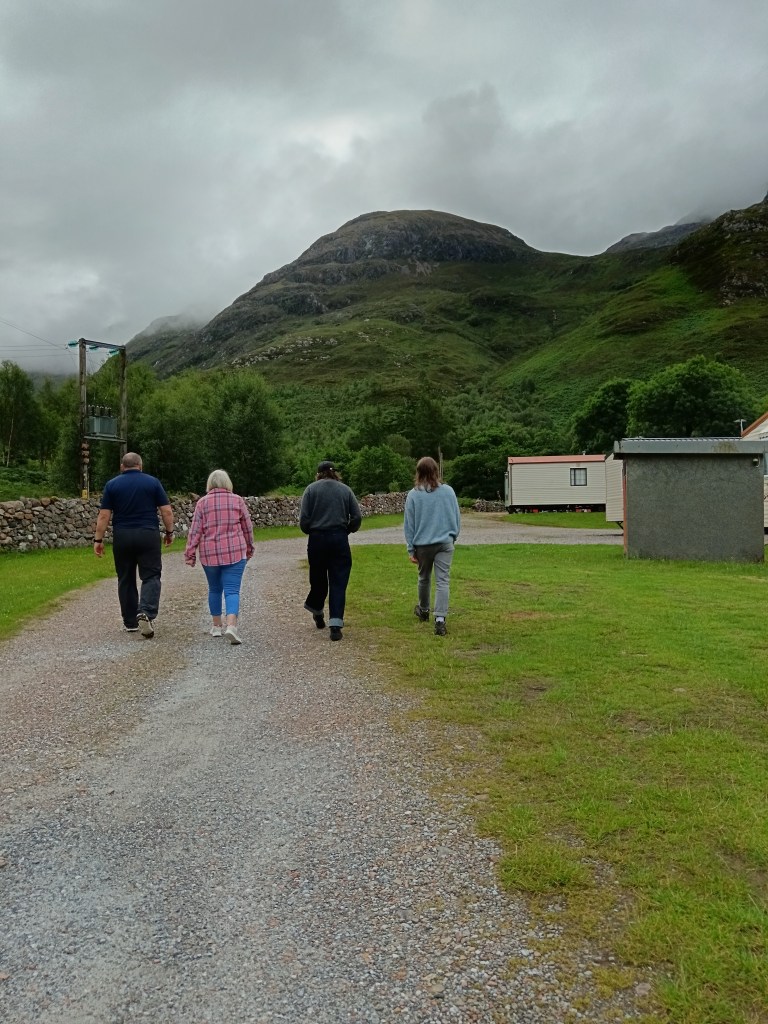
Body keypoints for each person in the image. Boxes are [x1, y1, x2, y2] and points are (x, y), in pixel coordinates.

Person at [93, 451, 175, 638]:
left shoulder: (112, 485)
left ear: (122, 467)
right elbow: (167, 511)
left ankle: (130, 622)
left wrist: (98, 540)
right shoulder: (153, 482)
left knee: (126, 578)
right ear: (140, 465)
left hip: (122, 536)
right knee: (151, 575)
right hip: (148, 534)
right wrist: (169, 532)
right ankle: (146, 611)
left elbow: (104, 515)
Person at [184, 469, 254, 646]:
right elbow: (247, 528)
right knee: (232, 590)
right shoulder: (237, 500)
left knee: (214, 589)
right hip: (234, 552)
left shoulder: (202, 503)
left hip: (210, 554)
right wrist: (249, 547)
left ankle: (216, 626)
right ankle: (231, 626)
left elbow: (195, 530)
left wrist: (190, 553)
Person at [299, 460, 361, 641]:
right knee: (338, 581)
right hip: (338, 538)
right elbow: (356, 516)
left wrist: (311, 530)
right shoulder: (345, 490)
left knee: (318, 578)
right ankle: (336, 624)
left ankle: (317, 610)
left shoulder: (311, 490)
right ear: (335, 473)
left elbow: (304, 519)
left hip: (317, 539)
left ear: (318, 474)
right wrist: (348, 529)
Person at [403, 456, 461, 636]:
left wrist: (411, 548)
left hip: (423, 544)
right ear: (436, 471)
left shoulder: (414, 494)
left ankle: (424, 609)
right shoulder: (448, 491)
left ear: (418, 472)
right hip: (445, 542)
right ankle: (440, 620)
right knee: (443, 580)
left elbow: (409, 524)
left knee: (424, 578)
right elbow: (456, 516)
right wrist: (453, 536)